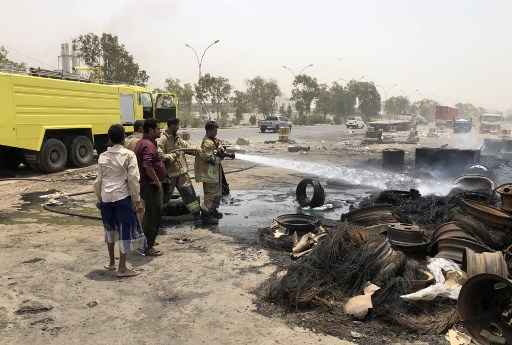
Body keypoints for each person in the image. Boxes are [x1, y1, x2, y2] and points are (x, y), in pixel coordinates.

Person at [94, 124, 145, 277]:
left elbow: (98, 181)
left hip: (106, 198)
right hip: (122, 198)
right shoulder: (129, 155)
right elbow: (134, 179)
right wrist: (137, 200)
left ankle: (111, 263)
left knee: (109, 229)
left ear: (109, 138)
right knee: (124, 232)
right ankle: (122, 268)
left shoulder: (102, 156)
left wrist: (99, 198)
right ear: (123, 138)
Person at [157, 117, 201, 220]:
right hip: (169, 176)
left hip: (182, 174)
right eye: (176, 125)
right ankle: (157, 220)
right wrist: (173, 156)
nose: (178, 127)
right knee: (164, 199)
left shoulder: (177, 137)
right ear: (171, 125)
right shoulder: (162, 139)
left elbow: (186, 147)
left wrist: (198, 150)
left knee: (190, 197)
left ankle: (196, 215)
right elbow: (160, 156)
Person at [134, 118, 166, 256]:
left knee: (148, 215)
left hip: (145, 184)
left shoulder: (142, 143)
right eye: (158, 129)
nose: (160, 131)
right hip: (151, 186)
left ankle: (146, 243)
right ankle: (149, 247)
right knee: (154, 215)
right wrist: (157, 181)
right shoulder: (147, 145)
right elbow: (147, 165)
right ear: (151, 130)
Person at [194, 120, 234, 225]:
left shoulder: (214, 140)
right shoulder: (206, 143)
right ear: (209, 130)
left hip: (215, 172)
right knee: (210, 195)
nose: (216, 132)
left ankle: (213, 211)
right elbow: (210, 159)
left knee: (217, 193)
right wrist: (220, 156)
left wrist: (221, 148)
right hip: (209, 174)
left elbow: (220, 143)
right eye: (215, 130)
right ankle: (206, 216)